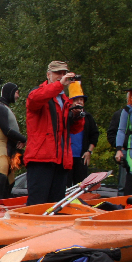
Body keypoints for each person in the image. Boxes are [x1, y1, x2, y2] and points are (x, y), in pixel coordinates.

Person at [24, 61, 84, 205]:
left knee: (55, 205)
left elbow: (74, 130)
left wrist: (77, 116)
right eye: (58, 73)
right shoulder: (37, 93)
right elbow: (34, 100)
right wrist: (59, 85)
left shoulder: (65, 100)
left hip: (61, 161)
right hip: (41, 159)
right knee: (37, 204)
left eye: (64, 73)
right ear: (48, 75)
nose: (61, 76)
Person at [0, 83, 26, 200]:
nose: (18, 96)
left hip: (9, 148)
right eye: (16, 92)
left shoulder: (6, 108)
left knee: (10, 182)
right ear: (10, 92)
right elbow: (7, 130)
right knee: (1, 178)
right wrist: (24, 139)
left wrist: (18, 144)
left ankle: (4, 204)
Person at [65, 81, 99, 185]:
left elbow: (94, 135)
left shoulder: (88, 117)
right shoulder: (65, 116)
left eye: (81, 99)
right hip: (66, 156)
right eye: (76, 100)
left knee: (80, 184)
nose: (79, 102)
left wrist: (89, 151)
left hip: (81, 157)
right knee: (65, 184)